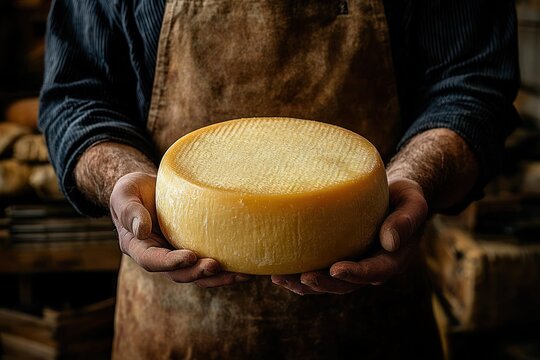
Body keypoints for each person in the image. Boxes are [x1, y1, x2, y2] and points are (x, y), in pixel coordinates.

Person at [39, 0, 520, 358]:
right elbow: (76, 93)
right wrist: (125, 178)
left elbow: (473, 81)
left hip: (373, 320)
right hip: (172, 327)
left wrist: (415, 176)